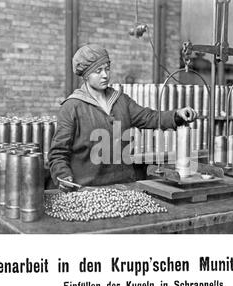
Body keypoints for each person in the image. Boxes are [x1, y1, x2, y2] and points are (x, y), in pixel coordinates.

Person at [49, 43, 197, 192]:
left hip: (125, 188)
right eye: (98, 71)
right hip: (88, 191)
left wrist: (176, 115)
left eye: (107, 69)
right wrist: (64, 176)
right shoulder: (72, 107)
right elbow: (58, 153)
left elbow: (149, 117)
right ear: (86, 75)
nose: (105, 75)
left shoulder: (121, 101)